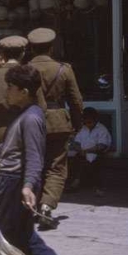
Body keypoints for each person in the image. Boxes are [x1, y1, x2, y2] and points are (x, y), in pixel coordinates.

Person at [0, 64, 84, 255]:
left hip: (13, 183)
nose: (7, 91)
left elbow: (35, 158)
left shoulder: (32, 118)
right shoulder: (27, 114)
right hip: (15, 181)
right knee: (24, 237)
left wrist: (28, 187)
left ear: (24, 91)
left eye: (11, 87)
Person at [27, 27, 84, 230]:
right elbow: (76, 101)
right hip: (59, 123)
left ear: (31, 48)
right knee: (56, 167)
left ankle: (32, 205)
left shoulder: (26, 69)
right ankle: (46, 206)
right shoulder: (63, 69)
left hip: (32, 122)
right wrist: (77, 124)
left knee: (34, 165)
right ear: (51, 48)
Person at [67, 107, 112, 196]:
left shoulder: (102, 129)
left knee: (97, 163)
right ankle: (75, 183)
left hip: (97, 153)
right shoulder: (83, 129)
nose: (87, 124)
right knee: (75, 161)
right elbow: (76, 142)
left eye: (90, 122)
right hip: (83, 153)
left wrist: (87, 151)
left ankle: (98, 187)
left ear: (95, 120)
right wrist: (80, 150)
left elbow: (102, 146)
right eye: (85, 122)